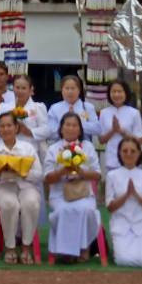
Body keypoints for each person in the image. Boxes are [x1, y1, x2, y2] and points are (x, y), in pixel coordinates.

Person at [0, 109, 43, 264]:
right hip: (1, 187)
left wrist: (21, 172)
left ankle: (26, 246)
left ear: (16, 128)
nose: (6, 129)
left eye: (9, 125)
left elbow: (38, 175)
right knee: (10, 204)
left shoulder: (28, 148)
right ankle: (10, 247)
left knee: (31, 203)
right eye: (2, 126)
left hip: (25, 186)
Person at [44, 112, 102, 263]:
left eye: (74, 125)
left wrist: (81, 172)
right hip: (59, 194)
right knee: (64, 210)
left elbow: (97, 175)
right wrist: (64, 170)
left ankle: (85, 248)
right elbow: (47, 178)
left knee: (87, 210)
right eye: (67, 125)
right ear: (61, 129)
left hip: (83, 192)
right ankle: (65, 252)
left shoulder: (87, 147)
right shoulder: (53, 149)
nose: (70, 128)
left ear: (80, 129)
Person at [105, 134, 142, 268]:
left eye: (133, 151)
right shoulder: (112, 175)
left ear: (139, 153)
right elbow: (110, 207)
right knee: (123, 260)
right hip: (121, 224)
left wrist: (137, 196)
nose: (129, 154)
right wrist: (126, 195)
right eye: (125, 151)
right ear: (119, 153)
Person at [98, 80, 142, 172]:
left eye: (120, 91)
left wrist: (121, 131)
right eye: (114, 91)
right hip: (111, 159)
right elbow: (101, 140)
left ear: (125, 93)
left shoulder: (134, 113)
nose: (116, 94)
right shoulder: (104, 113)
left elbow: (139, 140)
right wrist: (113, 130)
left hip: (131, 158)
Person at [47, 75, 100, 142]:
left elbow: (97, 129)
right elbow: (50, 132)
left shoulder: (87, 107)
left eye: (73, 88)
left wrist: (78, 125)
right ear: (62, 90)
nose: (70, 92)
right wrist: (65, 127)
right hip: (61, 147)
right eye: (67, 88)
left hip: (84, 147)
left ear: (79, 90)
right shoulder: (55, 108)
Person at [8, 72, 50, 145]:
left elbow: (46, 130)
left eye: (24, 88)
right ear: (13, 88)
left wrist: (29, 131)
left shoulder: (38, 107)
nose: (20, 91)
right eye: (17, 87)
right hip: (10, 148)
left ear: (30, 89)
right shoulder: (5, 107)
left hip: (30, 149)